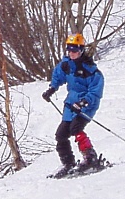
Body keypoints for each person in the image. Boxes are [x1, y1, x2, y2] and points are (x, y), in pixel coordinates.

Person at [42, 33, 105, 178]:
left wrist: (83, 102)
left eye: (75, 50)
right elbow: (58, 76)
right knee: (61, 135)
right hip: (71, 104)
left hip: (87, 105)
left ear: (81, 50)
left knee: (76, 128)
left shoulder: (91, 70)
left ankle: (90, 157)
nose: (72, 53)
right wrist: (52, 89)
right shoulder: (66, 65)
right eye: (69, 50)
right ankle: (68, 163)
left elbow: (96, 91)